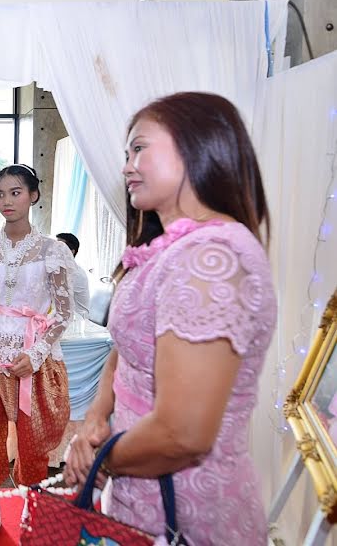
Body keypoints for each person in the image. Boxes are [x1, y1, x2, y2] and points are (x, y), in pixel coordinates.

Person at [63, 93, 276, 545]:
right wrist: (96, 419)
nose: (126, 166)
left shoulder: (210, 259)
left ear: (196, 146)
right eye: (126, 153)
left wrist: (97, 459)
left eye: (140, 148)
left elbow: (184, 434)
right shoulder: (169, 250)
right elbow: (124, 352)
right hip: (142, 492)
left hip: (190, 510)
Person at [0, 163, 75, 546]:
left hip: (30, 357)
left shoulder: (53, 250)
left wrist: (38, 352)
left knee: (32, 439)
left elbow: (65, 310)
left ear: (33, 196)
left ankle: (29, 507)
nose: (6, 201)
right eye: (0, 194)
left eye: (16, 192)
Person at [55, 232, 90, 317]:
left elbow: (53, 295)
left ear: (71, 252)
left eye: (60, 247)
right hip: (64, 316)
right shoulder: (61, 269)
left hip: (78, 320)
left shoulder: (76, 274)